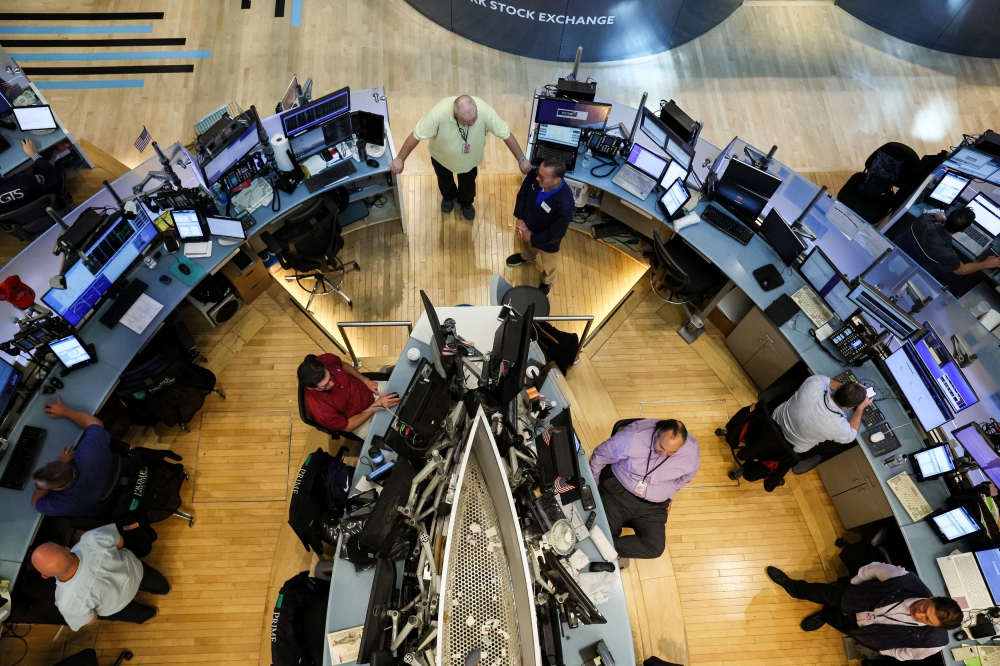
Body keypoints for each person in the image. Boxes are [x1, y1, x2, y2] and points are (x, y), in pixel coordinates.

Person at [32, 397, 158, 556]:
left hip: (119, 507)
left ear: (57, 489)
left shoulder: (63, 503)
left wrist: (41, 484)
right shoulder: (88, 453)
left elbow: (36, 502)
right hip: (137, 478)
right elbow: (95, 423)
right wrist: (65, 411)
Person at [766, 562, 961, 661]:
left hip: (863, 629)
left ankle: (825, 615)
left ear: (936, 628)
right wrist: (851, 585)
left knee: (837, 621)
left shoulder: (934, 644)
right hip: (852, 596)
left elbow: (906, 654)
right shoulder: (904, 579)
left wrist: (883, 649)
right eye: (926, 608)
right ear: (932, 598)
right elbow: (874, 569)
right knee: (816, 592)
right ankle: (793, 587)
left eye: (927, 620)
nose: (919, 614)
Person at [390, 95, 530, 220]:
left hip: (470, 161)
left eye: (474, 118)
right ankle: (448, 197)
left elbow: (505, 134)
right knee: (444, 181)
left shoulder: (484, 110)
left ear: (475, 107)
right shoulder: (437, 113)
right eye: (467, 121)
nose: (472, 123)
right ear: (455, 114)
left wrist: (521, 159)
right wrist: (400, 159)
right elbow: (416, 135)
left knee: (468, 185)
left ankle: (466, 203)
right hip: (441, 159)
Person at [588, 419, 700, 565]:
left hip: (654, 505)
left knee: (654, 547)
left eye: (671, 452)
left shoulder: (690, 451)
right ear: (657, 433)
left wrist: (671, 494)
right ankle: (603, 548)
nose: (663, 454)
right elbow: (599, 456)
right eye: (661, 447)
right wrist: (593, 488)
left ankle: (604, 548)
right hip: (619, 493)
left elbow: (688, 476)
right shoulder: (632, 437)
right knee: (603, 531)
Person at [31, 524, 171, 630]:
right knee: (154, 580)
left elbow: (90, 619)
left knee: (134, 613)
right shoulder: (92, 538)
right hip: (135, 571)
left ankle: (150, 614)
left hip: (117, 606)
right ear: (67, 548)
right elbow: (120, 542)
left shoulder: (66, 603)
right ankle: (165, 589)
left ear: (45, 575)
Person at [504, 158, 575, 295]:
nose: (536, 178)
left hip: (547, 239)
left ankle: (548, 280)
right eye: (538, 173)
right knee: (527, 246)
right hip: (528, 225)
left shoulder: (565, 205)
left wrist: (533, 237)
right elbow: (523, 194)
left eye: (542, 178)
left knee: (549, 261)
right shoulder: (537, 175)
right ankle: (527, 257)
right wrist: (520, 218)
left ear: (557, 180)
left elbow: (556, 233)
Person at [895, 208, 1000, 295]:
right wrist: (985, 264)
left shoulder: (924, 219)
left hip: (896, 252)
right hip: (911, 269)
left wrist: (943, 220)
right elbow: (961, 270)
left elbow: (933, 215)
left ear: (948, 215)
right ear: (963, 230)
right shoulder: (946, 253)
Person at [297, 354, 399, 439]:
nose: (332, 384)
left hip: (369, 391)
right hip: (361, 421)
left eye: (330, 376)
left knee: (406, 389)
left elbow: (342, 365)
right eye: (325, 386)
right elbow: (348, 426)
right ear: (310, 388)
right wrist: (376, 407)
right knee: (396, 438)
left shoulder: (326, 359)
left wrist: (366, 380)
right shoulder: (320, 411)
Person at [772, 376, 871, 461]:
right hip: (789, 447)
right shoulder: (839, 427)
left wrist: (852, 389)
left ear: (839, 387)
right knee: (835, 447)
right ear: (850, 407)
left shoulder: (813, 384)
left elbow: (825, 380)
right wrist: (860, 408)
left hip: (772, 421)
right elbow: (852, 435)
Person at [0, 138, 63, 216]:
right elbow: (54, 176)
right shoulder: (22, 181)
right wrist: (34, 154)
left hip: (20, 223)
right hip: (46, 212)